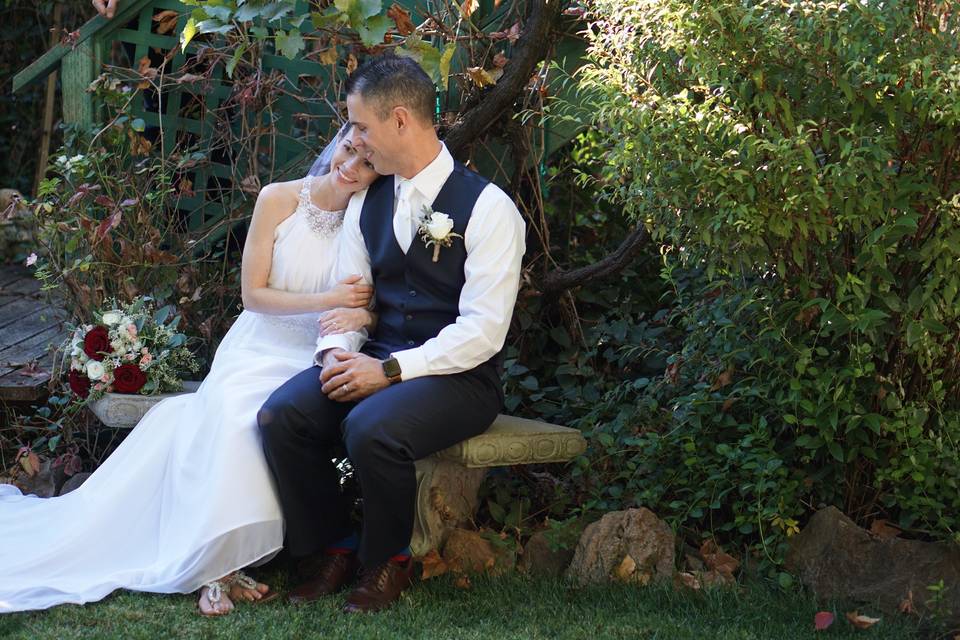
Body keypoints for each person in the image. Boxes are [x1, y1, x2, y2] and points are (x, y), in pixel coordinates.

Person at [0, 125, 380, 616]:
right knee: (228, 416)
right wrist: (333, 299)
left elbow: (371, 301)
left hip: (306, 355)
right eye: (348, 150)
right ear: (338, 143)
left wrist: (361, 314)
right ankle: (215, 566)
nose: (350, 167)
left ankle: (225, 559)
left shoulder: (365, 219)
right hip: (258, 343)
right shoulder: (279, 198)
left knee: (259, 422)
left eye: (367, 163)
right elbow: (254, 296)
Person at [257, 55, 526, 613]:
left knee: (371, 427)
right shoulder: (367, 201)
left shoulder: (489, 209)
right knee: (283, 415)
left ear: (399, 120)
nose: (352, 140)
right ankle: (332, 546)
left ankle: (388, 558)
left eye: (360, 126)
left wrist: (391, 371)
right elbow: (351, 295)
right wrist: (336, 355)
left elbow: (483, 331)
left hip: (459, 378)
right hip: (375, 356)